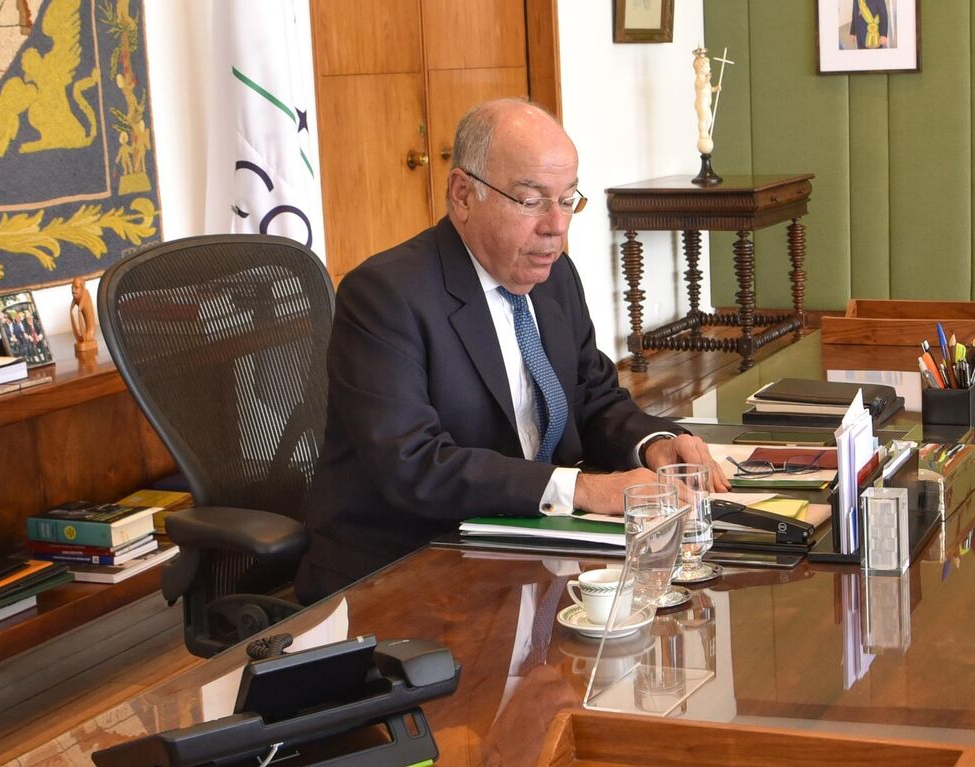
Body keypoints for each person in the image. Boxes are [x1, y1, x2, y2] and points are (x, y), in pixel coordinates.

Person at [296, 99, 728, 603]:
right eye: (531, 201)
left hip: (527, 552)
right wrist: (581, 489)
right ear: (463, 194)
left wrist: (653, 444)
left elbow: (593, 396)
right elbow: (413, 464)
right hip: (409, 570)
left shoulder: (554, 277)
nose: (556, 226)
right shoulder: (386, 295)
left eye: (568, 200)